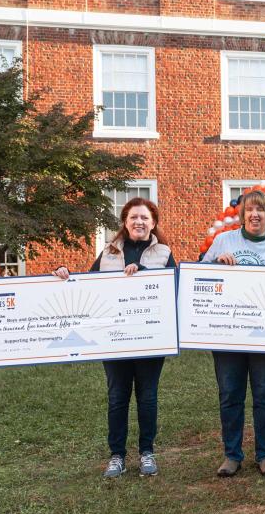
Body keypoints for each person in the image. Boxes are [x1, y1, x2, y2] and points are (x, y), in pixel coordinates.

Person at [52, 197, 176, 479]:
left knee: (147, 397)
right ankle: (117, 456)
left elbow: (174, 289)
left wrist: (146, 276)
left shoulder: (164, 253)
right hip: (114, 341)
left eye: (145, 218)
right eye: (134, 217)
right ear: (125, 221)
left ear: (153, 223)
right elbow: (87, 288)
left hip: (150, 340)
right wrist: (65, 276)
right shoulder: (108, 254)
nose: (139, 222)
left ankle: (147, 452)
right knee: (118, 397)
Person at [201, 189, 265, 477]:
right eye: (249, 210)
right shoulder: (223, 241)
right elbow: (199, 280)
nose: (255, 214)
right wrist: (216, 265)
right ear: (242, 215)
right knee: (230, 394)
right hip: (228, 335)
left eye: (260, 210)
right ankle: (232, 455)